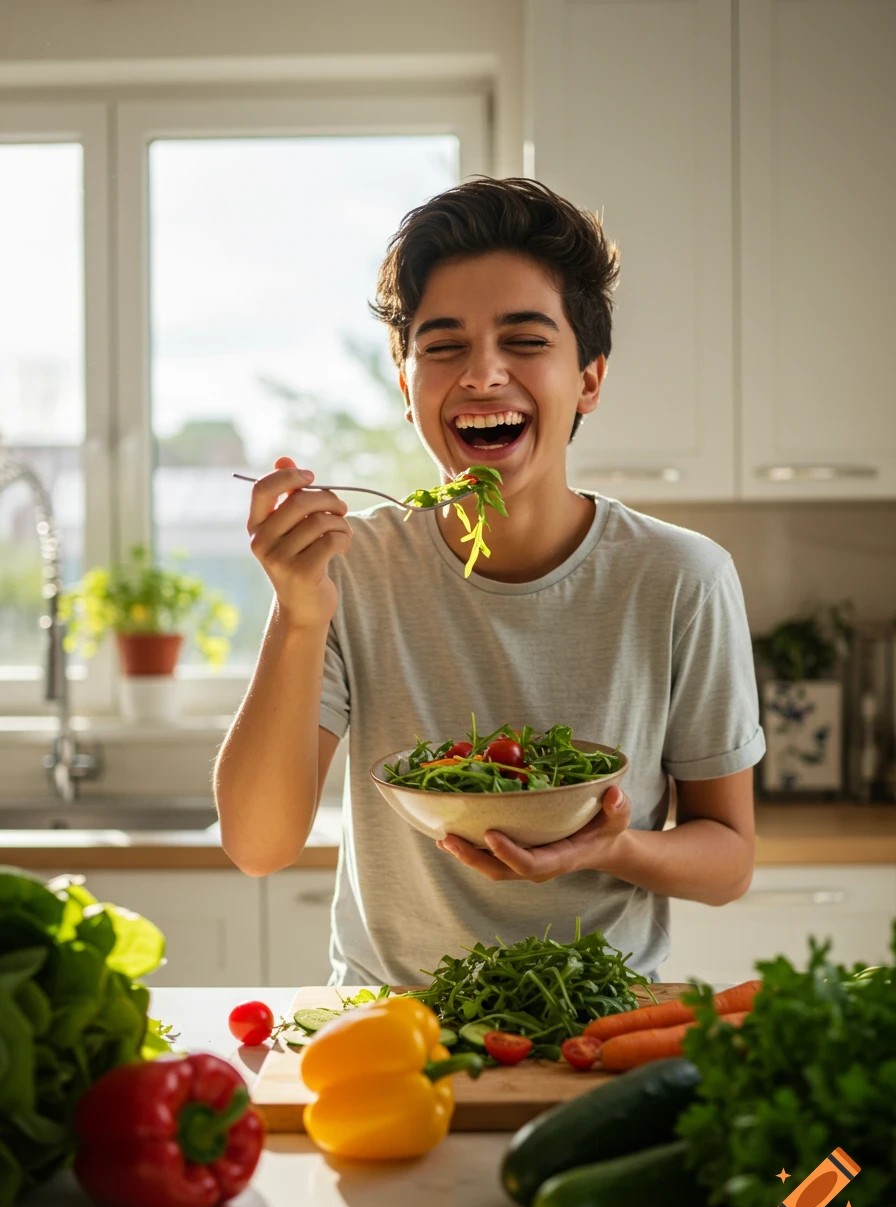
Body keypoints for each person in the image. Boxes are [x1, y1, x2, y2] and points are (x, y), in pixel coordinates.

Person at [215, 176, 766, 987]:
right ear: (406, 388)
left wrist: (613, 847)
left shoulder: (681, 578)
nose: (482, 375)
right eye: (442, 347)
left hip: (602, 1018)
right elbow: (258, 847)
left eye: (526, 340)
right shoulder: (350, 571)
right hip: (395, 1023)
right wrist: (298, 615)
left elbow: (730, 860)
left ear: (589, 379)